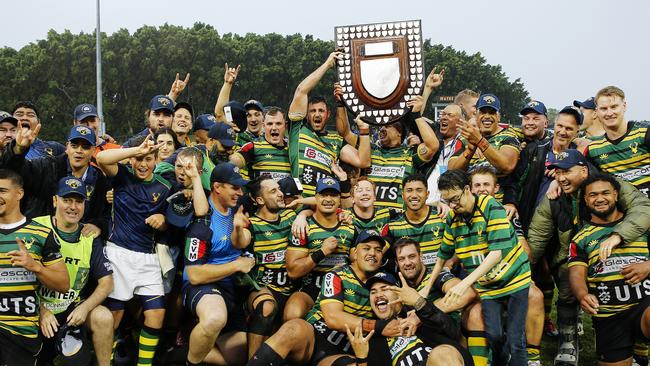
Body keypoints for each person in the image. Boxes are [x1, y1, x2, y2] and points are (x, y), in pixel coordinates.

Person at [527, 149, 650, 366]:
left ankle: (640, 345)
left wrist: (618, 236)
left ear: (583, 170)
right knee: (568, 280)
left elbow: (643, 208)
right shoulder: (553, 197)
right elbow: (537, 236)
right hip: (577, 252)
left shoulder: (609, 185)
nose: (561, 177)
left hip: (622, 246)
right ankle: (568, 338)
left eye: (566, 171)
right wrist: (523, 270)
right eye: (557, 172)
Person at [247, 230, 404, 366]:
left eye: (378, 250)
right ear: (355, 253)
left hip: (340, 350)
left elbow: (399, 307)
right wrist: (379, 327)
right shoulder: (336, 275)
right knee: (292, 328)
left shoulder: (382, 283)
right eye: (366, 248)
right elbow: (332, 317)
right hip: (313, 336)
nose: (372, 253)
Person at [433, 169, 532, 366]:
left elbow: (496, 254)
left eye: (455, 199)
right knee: (494, 335)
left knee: (515, 340)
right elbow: (443, 255)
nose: (452, 205)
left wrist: (464, 284)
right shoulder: (453, 217)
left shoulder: (491, 206)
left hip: (515, 279)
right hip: (488, 286)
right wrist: (425, 289)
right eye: (447, 201)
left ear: (467, 189)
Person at [96, 135, 172, 366]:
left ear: (156, 160)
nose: (142, 164)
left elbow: (174, 218)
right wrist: (135, 150)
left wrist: (164, 219)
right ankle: (104, 360)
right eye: (138, 159)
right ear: (130, 160)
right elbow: (101, 157)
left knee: (157, 314)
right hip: (118, 253)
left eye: (148, 159)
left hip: (148, 258)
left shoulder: (165, 186)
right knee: (114, 317)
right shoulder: (122, 177)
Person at [568, 173, 650, 366]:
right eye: (593, 195)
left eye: (605, 193)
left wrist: (648, 266)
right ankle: (636, 351)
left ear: (616, 195)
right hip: (609, 315)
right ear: (586, 200)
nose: (600, 199)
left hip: (643, 304)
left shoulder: (640, 226)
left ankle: (641, 346)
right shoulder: (581, 238)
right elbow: (576, 273)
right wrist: (582, 295)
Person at [469, 166, 546, 365]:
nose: (482, 189)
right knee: (495, 333)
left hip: (510, 277)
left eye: (486, 184)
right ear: (469, 189)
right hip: (481, 280)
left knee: (534, 297)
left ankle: (532, 358)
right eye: (477, 185)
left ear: (496, 188)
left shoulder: (507, 213)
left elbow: (527, 254)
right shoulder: (462, 214)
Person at [36, 177, 114, 366]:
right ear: (55, 201)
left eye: (78, 201)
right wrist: (41, 311)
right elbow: (18, 279)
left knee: (103, 316)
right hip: (37, 310)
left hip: (72, 311)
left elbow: (107, 282)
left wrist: (85, 307)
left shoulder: (89, 236)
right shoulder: (36, 228)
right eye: (67, 200)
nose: (73, 207)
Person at [336, 69, 442, 208]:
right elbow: (344, 132)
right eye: (381, 126)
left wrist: (416, 115)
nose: (382, 128)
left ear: (399, 133)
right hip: (370, 219)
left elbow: (432, 146)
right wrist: (341, 104)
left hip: (398, 221)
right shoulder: (370, 149)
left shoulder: (410, 154)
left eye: (387, 126)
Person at [182, 162, 251, 365]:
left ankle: (184, 349)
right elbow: (195, 274)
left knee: (237, 359)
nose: (240, 192)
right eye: (234, 187)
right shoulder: (202, 220)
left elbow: (242, 240)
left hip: (230, 287)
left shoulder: (237, 208)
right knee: (215, 318)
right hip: (201, 286)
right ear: (217, 187)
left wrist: (239, 230)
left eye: (241, 187)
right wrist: (237, 265)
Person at [0, 169, 69, 366]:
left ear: (19, 194)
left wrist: (35, 267)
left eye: (2, 191)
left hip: (22, 333)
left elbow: (63, 284)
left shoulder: (41, 233)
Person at [287, 50, 370, 196]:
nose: (317, 114)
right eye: (312, 111)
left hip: (325, 202)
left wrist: (364, 130)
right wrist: (327, 64)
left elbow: (363, 162)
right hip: (300, 201)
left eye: (321, 111)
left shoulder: (336, 141)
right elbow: (301, 91)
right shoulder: (298, 130)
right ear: (306, 114)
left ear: (328, 115)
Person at [1, 125, 108, 238]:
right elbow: (12, 173)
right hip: (39, 238)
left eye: (85, 147)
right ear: (67, 147)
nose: (79, 151)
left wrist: (97, 225)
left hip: (77, 243)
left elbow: (105, 214)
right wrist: (18, 150)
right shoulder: (47, 167)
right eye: (74, 146)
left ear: (93, 150)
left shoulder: (99, 178)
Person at [345, 271, 472, 366]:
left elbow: (453, 332)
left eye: (385, 289)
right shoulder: (372, 339)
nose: (378, 295)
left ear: (399, 294)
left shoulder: (419, 313)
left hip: (441, 360)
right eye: (373, 292)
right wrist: (361, 358)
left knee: (442, 354)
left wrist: (420, 305)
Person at [392, 238, 484, 365]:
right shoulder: (400, 286)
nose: (407, 263)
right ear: (397, 262)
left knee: (476, 310)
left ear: (421, 256)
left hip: (452, 338)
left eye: (412, 256)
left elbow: (467, 293)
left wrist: (421, 312)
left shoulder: (434, 276)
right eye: (402, 259)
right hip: (426, 348)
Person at [285, 177, 356, 320]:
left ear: (339, 198)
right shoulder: (303, 227)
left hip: (344, 287)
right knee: (292, 313)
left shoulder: (350, 225)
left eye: (333, 194)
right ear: (315, 197)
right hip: (312, 286)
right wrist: (322, 252)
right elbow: (293, 271)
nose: (328, 199)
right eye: (323, 194)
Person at [241, 177, 296, 357]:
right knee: (266, 307)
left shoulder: (291, 216)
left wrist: (304, 215)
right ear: (259, 200)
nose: (280, 194)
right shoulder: (251, 225)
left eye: (279, 189)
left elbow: (316, 205)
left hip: (290, 290)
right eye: (273, 191)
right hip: (262, 289)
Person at [448, 93, 520, 204]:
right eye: (483, 112)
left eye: (492, 112)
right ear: (476, 115)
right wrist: (470, 150)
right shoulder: (464, 137)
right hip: (468, 204)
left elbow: (507, 166)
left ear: (498, 117)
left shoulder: (509, 136)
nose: (487, 116)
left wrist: (480, 142)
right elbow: (452, 172)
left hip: (498, 205)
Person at [585, 86, 650, 198]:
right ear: (597, 112)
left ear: (624, 106)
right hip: (623, 206)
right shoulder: (594, 148)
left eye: (614, 107)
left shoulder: (644, 133)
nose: (609, 113)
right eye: (604, 109)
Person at [383, 173, 445, 267]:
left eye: (419, 190)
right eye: (409, 191)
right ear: (402, 195)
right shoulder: (393, 226)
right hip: (410, 279)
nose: (414, 195)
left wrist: (449, 264)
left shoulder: (442, 216)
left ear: (427, 194)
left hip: (441, 277)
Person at [230, 107, 291, 181]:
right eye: (270, 124)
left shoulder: (292, 150)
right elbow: (232, 164)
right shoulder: (252, 147)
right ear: (263, 125)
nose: (274, 128)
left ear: (286, 125)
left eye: (278, 124)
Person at [427, 103, 464, 206]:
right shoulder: (433, 140)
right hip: (428, 204)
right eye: (443, 114)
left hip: (451, 206)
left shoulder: (464, 143)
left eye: (449, 115)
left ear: (460, 121)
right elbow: (416, 120)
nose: (444, 117)